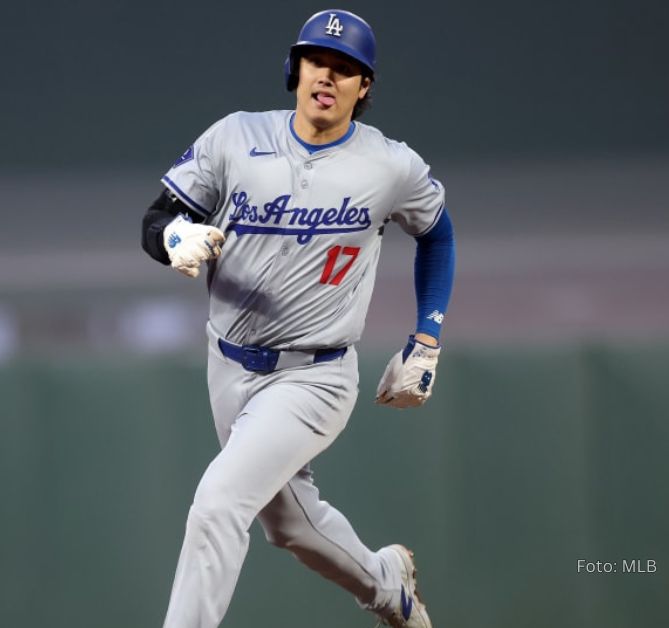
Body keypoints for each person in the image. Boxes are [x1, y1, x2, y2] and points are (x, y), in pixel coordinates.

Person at [139, 9, 456, 628]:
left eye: (346, 69)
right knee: (290, 525)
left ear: (364, 88)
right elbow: (157, 218)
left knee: (218, 505)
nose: (328, 76)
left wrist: (427, 338)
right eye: (318, 61)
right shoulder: (235, 137)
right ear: (296, 68)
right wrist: (173, 238)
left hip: (316, 376)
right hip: (227, 363)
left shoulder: (389, 165)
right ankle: (386, 587)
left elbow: (438, 235)